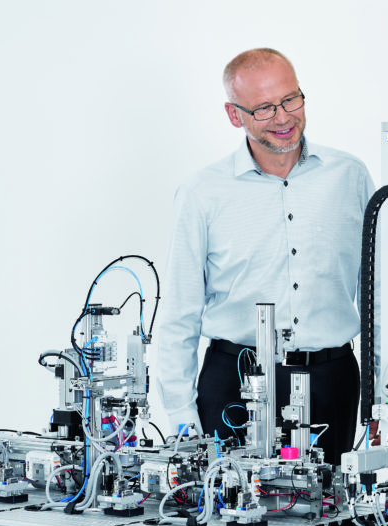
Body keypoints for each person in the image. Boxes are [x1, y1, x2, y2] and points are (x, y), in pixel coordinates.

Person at [155, 48, 375, 465]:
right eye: (264, 108)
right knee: (231, 501)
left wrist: (380, 395)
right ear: (233, 114)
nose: (283, 117)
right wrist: (182, 420)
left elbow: (376, 293)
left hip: (332, 380)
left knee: (330, 501)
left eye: (291, 99)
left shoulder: (350, 176)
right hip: (234, 380)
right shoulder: (203, 193)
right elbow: (180, 312)